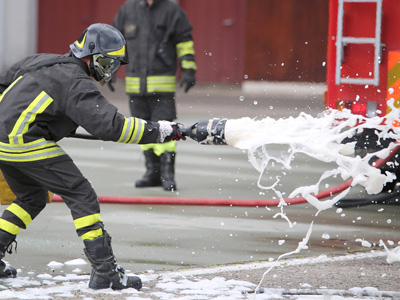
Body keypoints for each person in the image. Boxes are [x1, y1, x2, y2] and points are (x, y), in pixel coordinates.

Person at [0, 23, 185, 290]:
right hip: (22, 141)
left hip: (4, 139)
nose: (109, 72)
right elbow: (112, 126)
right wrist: (160, 131)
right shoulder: (76, 83)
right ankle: (105, 271)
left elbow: (3, 81)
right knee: (81, 193)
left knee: (33, 197)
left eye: (114, 66)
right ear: (89, 54)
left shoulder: (44, 61)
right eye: (107, 63)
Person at [112, 0, 196, 191]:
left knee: (166, 129)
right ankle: (152, 174)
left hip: (162, 87)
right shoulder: (127, 10)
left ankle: (167, 175)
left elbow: (184, 43)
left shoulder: (172, 11)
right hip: (135, 87)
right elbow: (114, 43)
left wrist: (189, 69)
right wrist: (111, 70)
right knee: (142, 130)